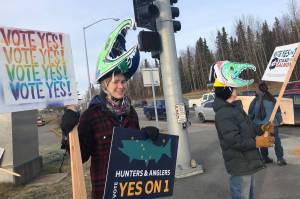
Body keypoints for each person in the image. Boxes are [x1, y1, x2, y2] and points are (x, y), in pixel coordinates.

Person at [60, 20, 159, 199]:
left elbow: (135, 152)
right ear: (105, 85)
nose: (121, 86)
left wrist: (146, 139)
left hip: (132, 190)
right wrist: (68, 133)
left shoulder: (131, 113)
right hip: (104, 193)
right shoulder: (92, 116)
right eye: (116, 82)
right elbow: (80, 156)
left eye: (123, 82)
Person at [212, 79, 275, 199]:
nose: (236, 90)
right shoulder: (223, 113)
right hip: (239, 164)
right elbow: (234, 141)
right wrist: (257, 142)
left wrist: (262, 127)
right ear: (228, 90)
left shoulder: (235, 108)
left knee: (249, 194)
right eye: (234, 88)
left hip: (247, 162)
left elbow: (249, 126)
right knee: (242, 195)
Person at [248, 82, 287, 166]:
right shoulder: (272, 99)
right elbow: (277, 112)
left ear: (259, 89)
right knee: (277, 141)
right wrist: (279, 121)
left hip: (259, 125)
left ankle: (265, 158)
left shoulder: (255, 100)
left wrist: (252, 122)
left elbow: (250, 113)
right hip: (271, 124)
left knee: (262, 141)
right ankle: (280, 159)